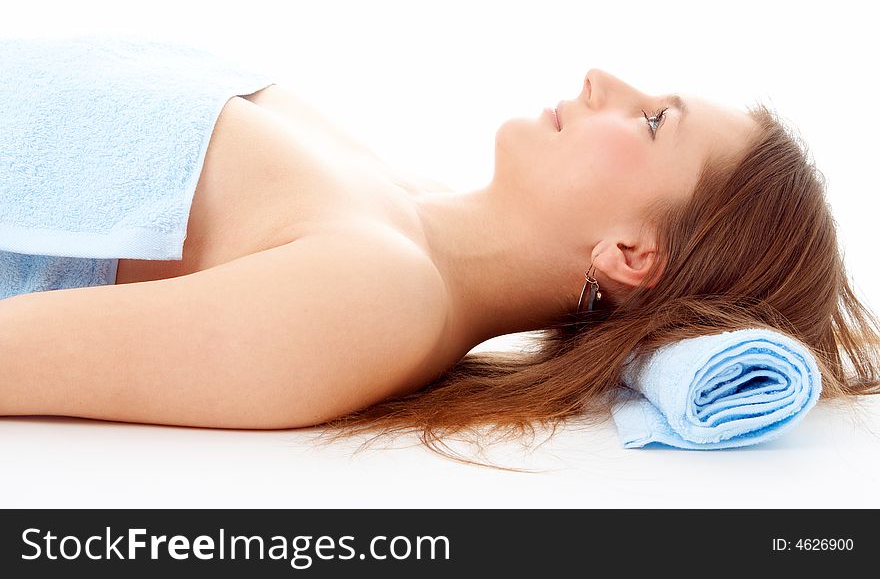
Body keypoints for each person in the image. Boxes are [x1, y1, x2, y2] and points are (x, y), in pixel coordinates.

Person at [2, 69, 878, 467]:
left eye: (653, 122)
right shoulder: (398, 199)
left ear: (632, 253)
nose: (603, 76)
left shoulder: (370, 300)